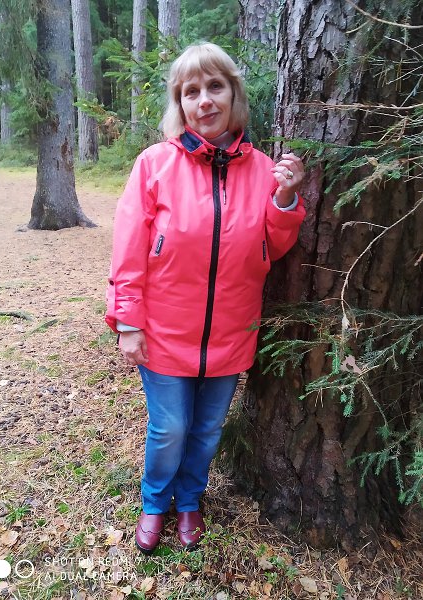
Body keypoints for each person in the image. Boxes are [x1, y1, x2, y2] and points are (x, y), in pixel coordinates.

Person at [105, 42, 306, 554]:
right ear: (180, 104)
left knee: (208, 429)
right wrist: (128, 321)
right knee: (171, 427)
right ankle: (155, 503)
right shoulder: (154, 165)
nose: (205, 100)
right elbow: (128, 248)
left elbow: (274, 244)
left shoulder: (263, 170)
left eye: (215, 86)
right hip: (164, 331)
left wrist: (284, 199)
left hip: (231, 331)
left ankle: (190, 499)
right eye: (191, 92)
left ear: (233, 93)